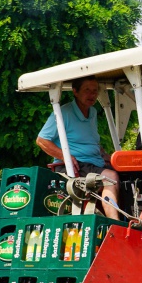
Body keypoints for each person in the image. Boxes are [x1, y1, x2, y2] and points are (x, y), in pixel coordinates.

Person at [36, 76, 120, 220]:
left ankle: (131, 218)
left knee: (129, 173)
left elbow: (91, 142)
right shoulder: (64, 112)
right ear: (75, 91)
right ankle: (115, 223)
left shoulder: (92, 112)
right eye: (87, 90)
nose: (92, 94)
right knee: (111, 178)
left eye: (95, 91)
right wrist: (66, 156)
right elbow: (41, 140)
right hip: (75, 167)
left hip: (94, 165)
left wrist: (104, 154)